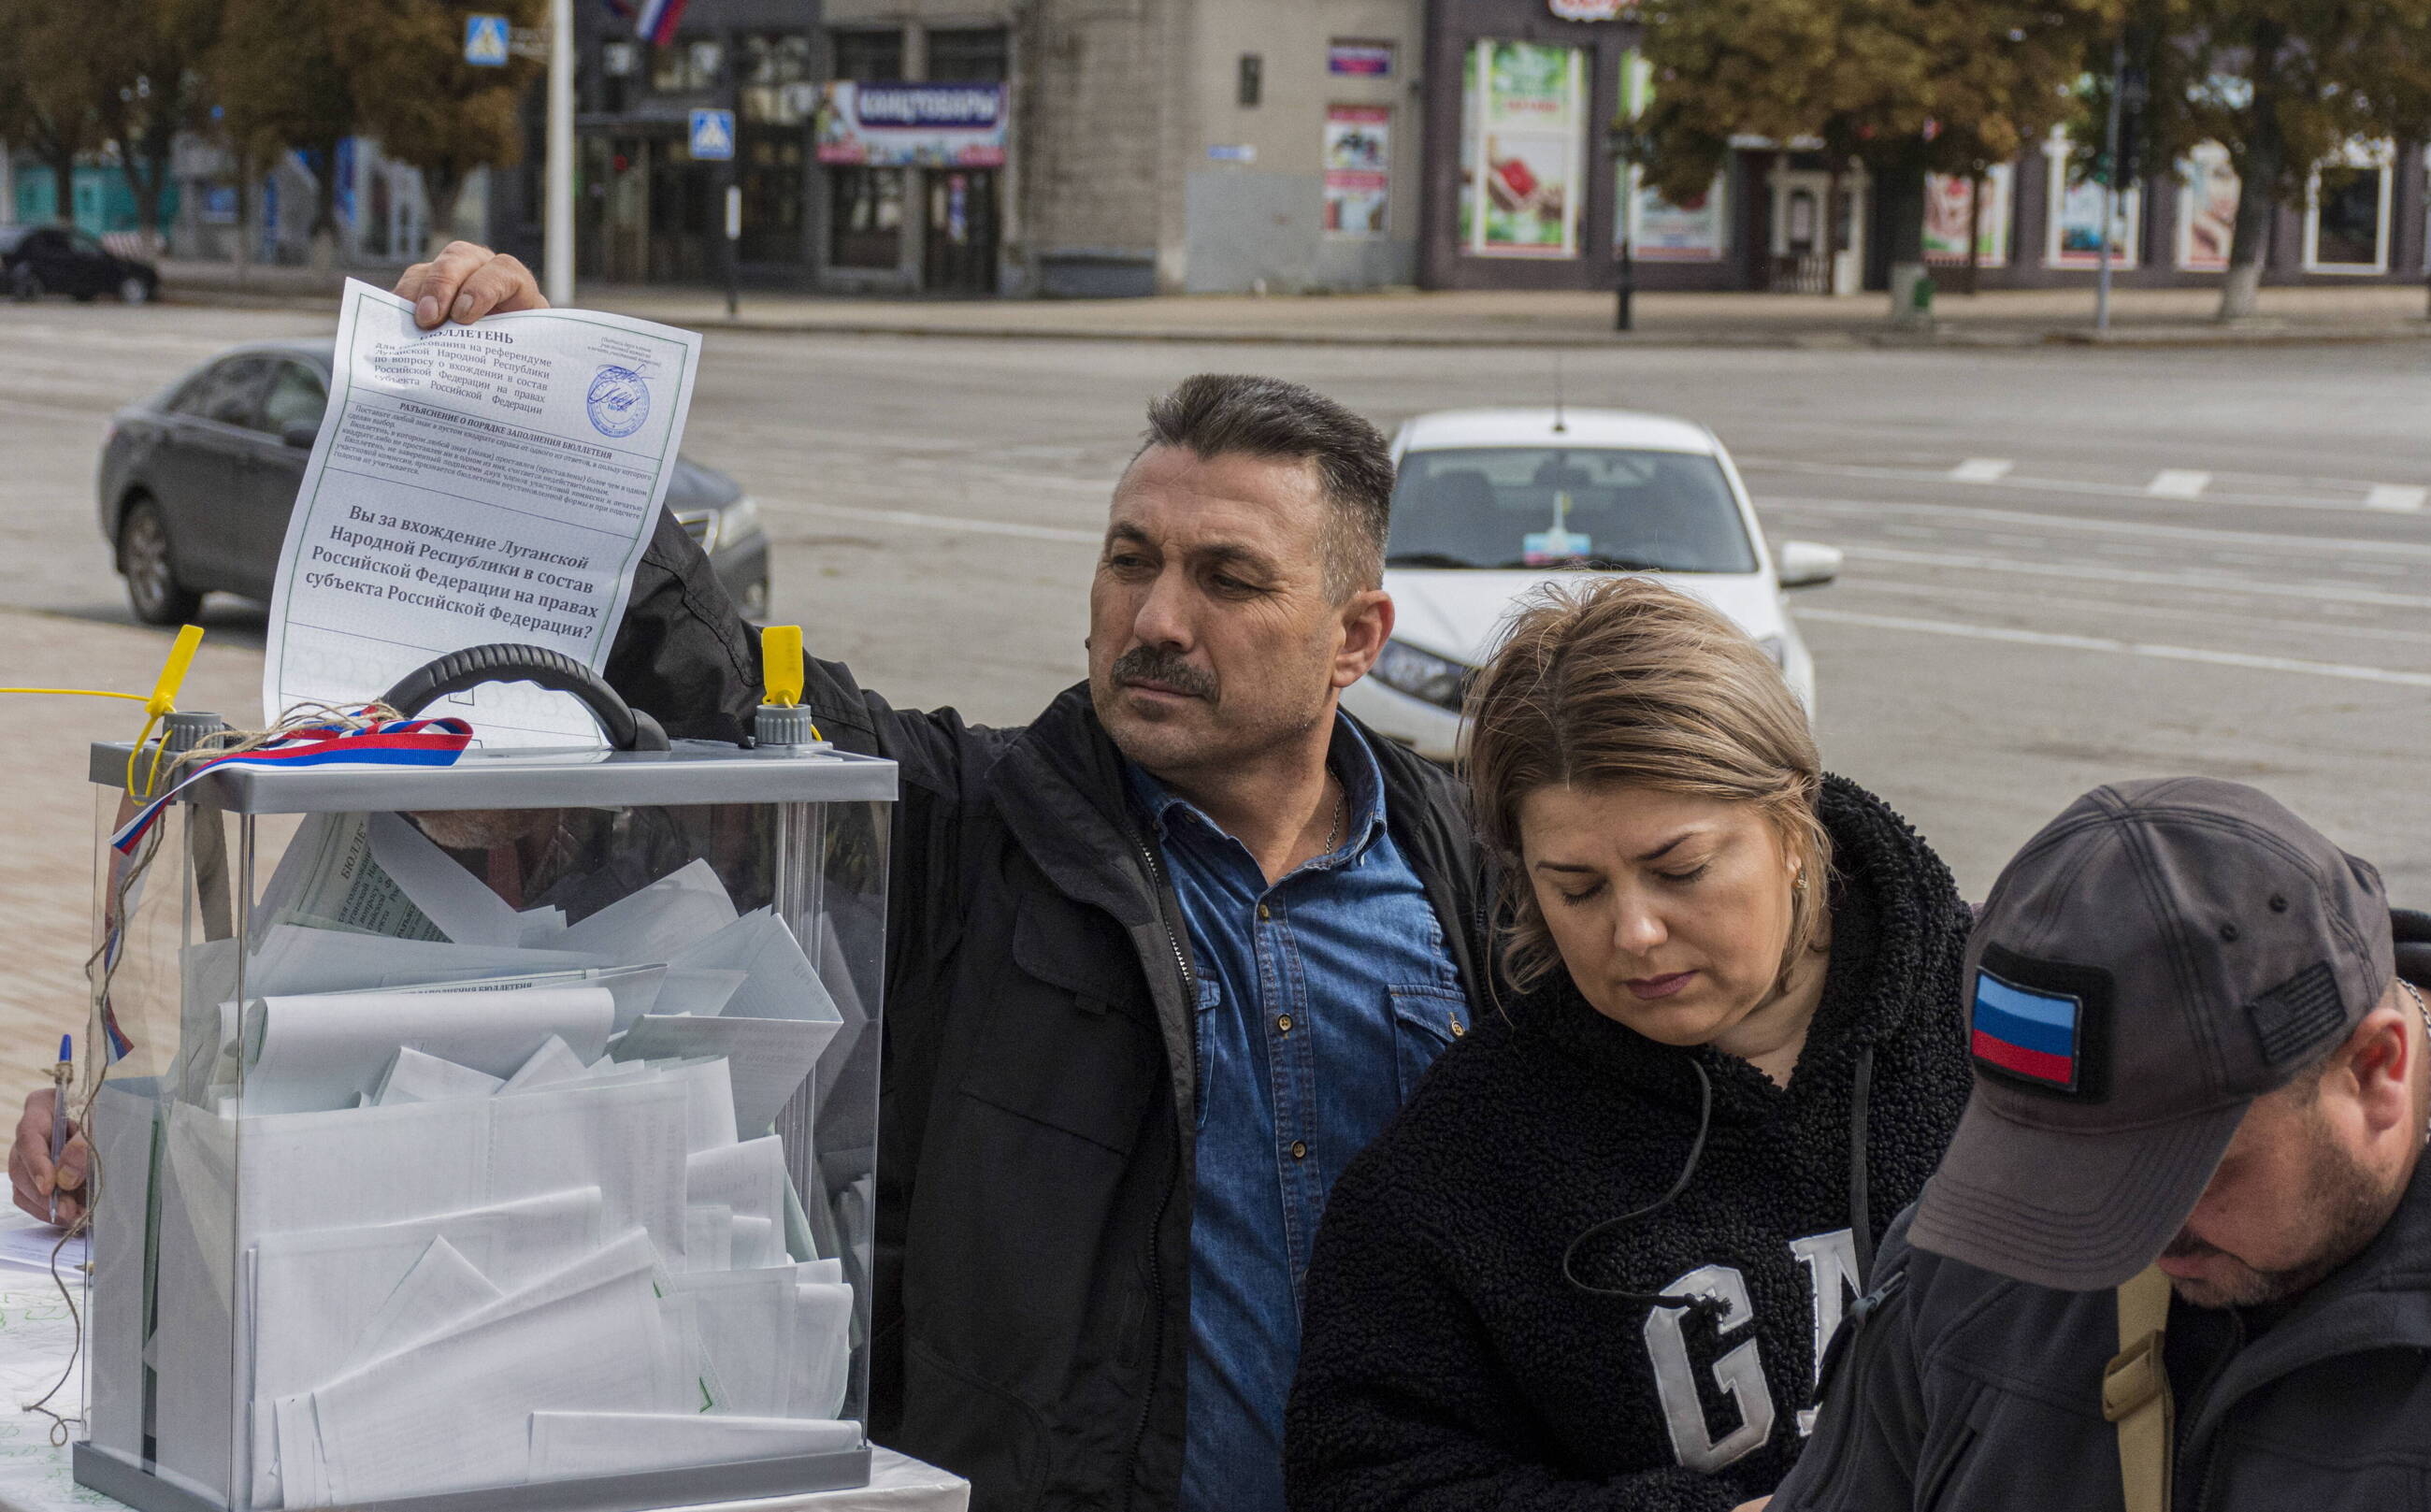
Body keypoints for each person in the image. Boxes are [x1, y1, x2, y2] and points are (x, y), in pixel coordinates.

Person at [7, 242, 1494, 1512]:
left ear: (1356, 638)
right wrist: (546, 416)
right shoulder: (975, 826)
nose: (1156, 615)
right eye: (1128, 559)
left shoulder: (1470, 874)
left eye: (1227, 579)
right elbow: (709, 689)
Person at [1284, 577, 1978, 1511]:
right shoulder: (1471, 1156)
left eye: (1679, 869)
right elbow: (1365, 1478)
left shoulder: (1996, 1022)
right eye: (1576, 889)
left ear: (1788, 823)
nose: (1635, 931)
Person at [1765, 779, 2431, 1512]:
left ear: (2377, 1068)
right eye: (2064, 1166)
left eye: (2181, 1171)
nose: (2127, 1233)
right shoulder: (1979, 1254)